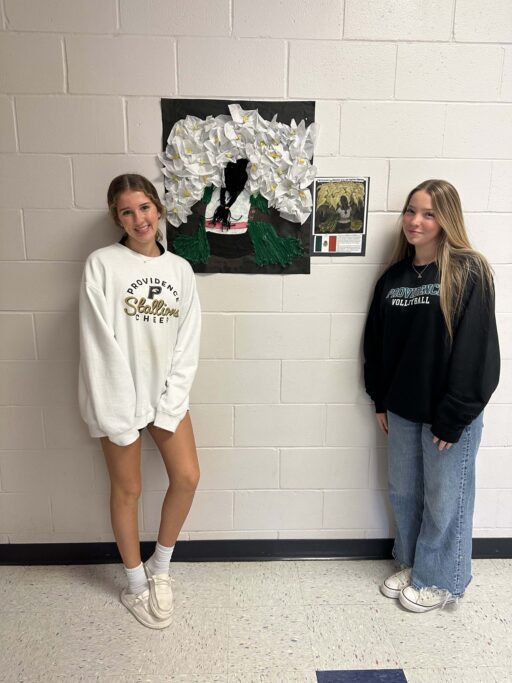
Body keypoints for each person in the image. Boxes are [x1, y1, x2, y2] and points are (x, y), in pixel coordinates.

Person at [363, 179, 500, 613]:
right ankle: (414, 562)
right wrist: (380, 399)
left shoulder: (468, 270)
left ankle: (441, 579)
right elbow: (377, 343)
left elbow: (477, 350)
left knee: (446, 498)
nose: (415, 221)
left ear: (446, 220)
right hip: (402, 410)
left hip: (447, 415)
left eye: (428, 213)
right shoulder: (394, 277)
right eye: (410, 211)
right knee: (404, 491)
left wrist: (454, 414)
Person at [78, 174, 201, 629]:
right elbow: (97, 341)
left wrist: (171, 398)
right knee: (127, 490)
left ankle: (160, 568)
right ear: (117, 217)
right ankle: (134, 584)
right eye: (127, 211)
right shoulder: (102, 264)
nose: (138, 219)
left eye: (144, 207)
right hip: (118, 396)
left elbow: (188, 342)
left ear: (158, 209)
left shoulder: (180, 270)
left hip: (166, 392)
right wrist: (120, 407)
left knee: (187, 477)